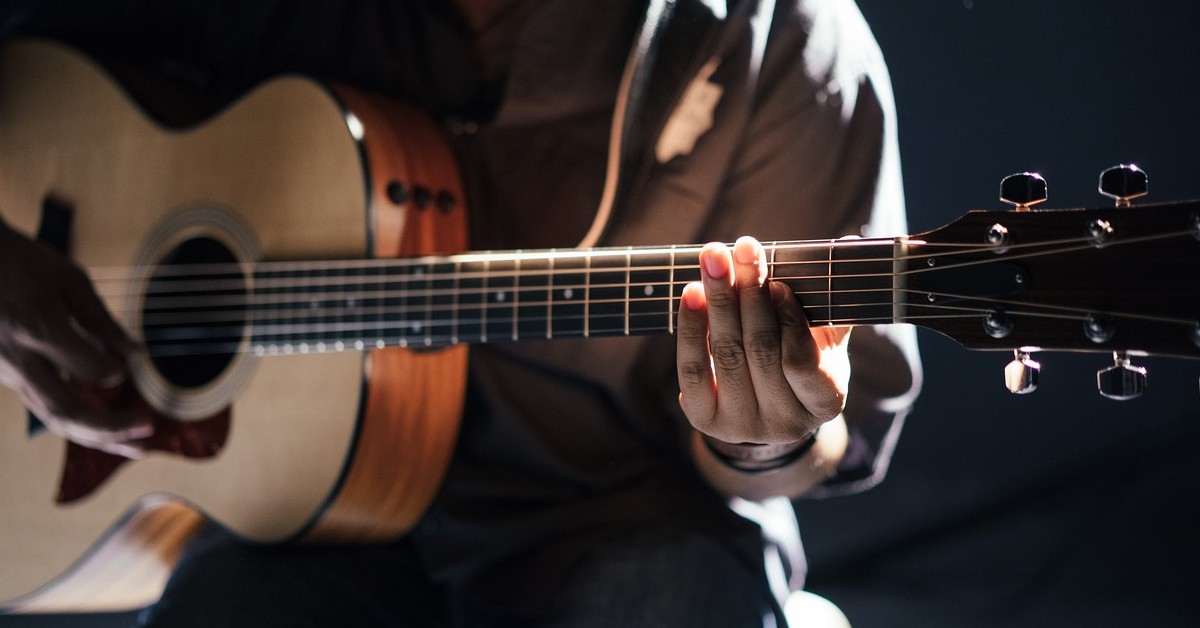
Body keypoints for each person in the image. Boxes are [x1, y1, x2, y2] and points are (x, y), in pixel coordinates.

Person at [0, 0, 920, 626]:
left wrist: (763, 437)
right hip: (303, 519)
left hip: (626, 515)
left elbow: (828, 436)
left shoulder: (785, 37)